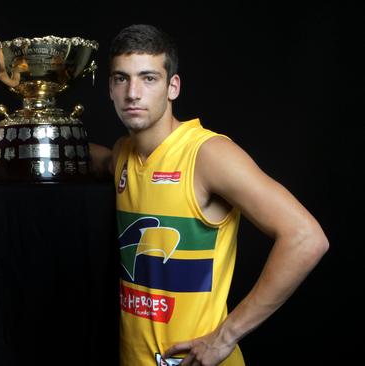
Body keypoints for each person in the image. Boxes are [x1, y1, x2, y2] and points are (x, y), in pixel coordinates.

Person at [89, 24, 329, 366]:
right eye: (121, 79)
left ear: (173, 87)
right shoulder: (124, 156)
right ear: (110, 88)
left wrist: (225, 337)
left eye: (148, 78)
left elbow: (306, 238)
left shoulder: (207, 154)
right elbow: (101, 160)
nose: (133, 93)